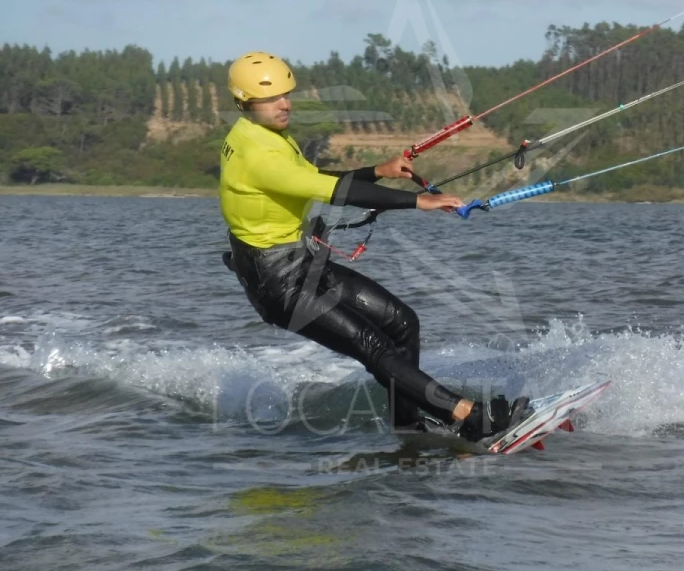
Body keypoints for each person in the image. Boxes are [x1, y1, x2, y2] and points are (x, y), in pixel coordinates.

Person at [218, 51, 529, 441]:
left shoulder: (265, 137)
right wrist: (421, 201)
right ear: (245, 103)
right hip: (276, 281)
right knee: (374, 346)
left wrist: (377, 172)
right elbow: (334, 192)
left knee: (402, 323)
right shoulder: (257, 153)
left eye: (286, 95)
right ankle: (470, 417)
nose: (284, 105)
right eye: (270, 99)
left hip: (300, 263)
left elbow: (310, 177)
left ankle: (409, 427)